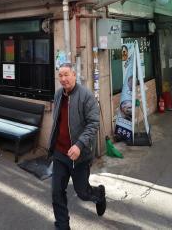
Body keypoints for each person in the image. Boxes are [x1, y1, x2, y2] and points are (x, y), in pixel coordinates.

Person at [48, 63, 107, 229]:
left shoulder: (86, 96)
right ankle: (62, 225)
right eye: (60, 75)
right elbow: (57, 122)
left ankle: (99, 194)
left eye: (67, 74)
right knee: (56, 192)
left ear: (75, 75)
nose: (63, 79)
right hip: (60, 153)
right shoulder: (59, 94)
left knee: (82, 193)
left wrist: (79, 145)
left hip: (79, 156)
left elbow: (93, 124)